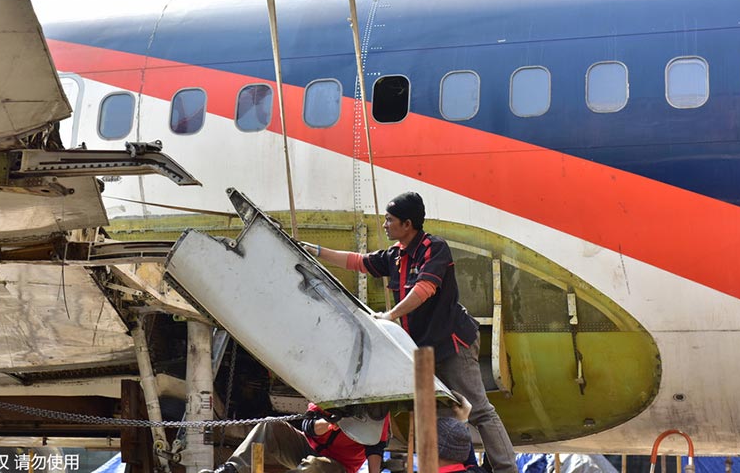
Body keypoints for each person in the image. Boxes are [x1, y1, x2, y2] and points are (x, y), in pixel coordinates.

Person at [303, 192, 517, 473]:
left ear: (407, 224)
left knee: (478, 410)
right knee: (441, 417)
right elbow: (358, 261)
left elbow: (424, 289)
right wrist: (318, 252)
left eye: (389, 220)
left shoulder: (434, 248)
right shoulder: (395, 255)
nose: (384, 225)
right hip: (422, 351)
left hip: (451, 345)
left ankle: (506, 469)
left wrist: (391, 316)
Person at [204, 403, 389, 473]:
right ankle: (234, 469)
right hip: (306, 449)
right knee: (270, 424)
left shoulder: (377, 412)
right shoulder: (331, 392)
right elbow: (308, 427)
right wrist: (332, 422)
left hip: (338, 467)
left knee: (315, 465)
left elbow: (375, 447)